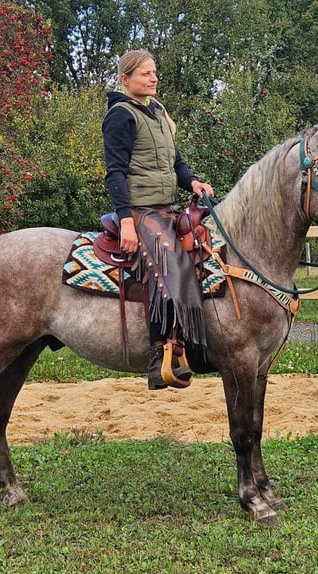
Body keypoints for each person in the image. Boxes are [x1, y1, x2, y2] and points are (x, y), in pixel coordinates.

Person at [102, 49, 214, 390]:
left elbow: (175, 163)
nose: (153, 78)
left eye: (154, 73)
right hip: (140, 210)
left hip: (168, 206)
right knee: (170, 267)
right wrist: (125, 221)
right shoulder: (121, 116)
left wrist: (192, 181)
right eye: (145, 74)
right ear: (126, 79)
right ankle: (158, 355)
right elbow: (115, 173)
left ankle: (192, 343)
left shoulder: (158, 114)